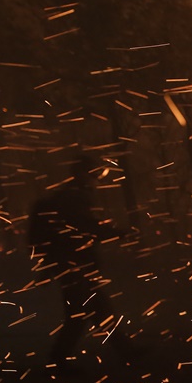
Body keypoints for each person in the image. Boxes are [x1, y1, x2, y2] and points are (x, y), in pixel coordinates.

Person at [29, 155, 129, 371]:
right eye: (93, 174)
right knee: (81, 314)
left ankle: (126, 350)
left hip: (72, 265)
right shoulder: (74, 197)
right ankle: (58, 360)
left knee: (96, 310)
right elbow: (84, 227)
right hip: (74, 266)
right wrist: (117, 233)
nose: (96, 179)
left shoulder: (69, 196)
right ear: (83, 174)